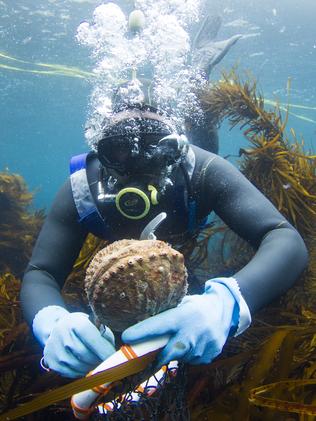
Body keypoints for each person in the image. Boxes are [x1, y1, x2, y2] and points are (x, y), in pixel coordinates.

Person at [20, 86, 308, 379]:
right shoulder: (83, 190)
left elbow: (284, 238)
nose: (139, 164)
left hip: (191, 203)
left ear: (177, 148)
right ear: (99, 150)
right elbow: (41, 272)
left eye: (158, 148)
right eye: (119, 150)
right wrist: (52, 323)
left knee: (207, 136)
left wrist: (225, 304)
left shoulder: (203, 171)